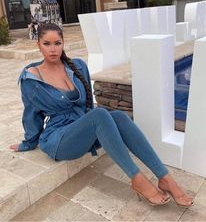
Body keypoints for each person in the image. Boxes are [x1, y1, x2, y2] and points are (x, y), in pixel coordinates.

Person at [10, 23, 193, 207]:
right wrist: (28, 142)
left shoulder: (78, 66)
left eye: (57, 43)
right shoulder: (31, 79)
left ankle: (164, 177)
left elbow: (88, 104)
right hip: (60, 139)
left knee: (119, 117)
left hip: (82, 128)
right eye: (47, 44)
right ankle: (137, 178)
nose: (52, 49)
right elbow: (31, 114)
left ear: (63, 43)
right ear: (38, 45)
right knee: (99, 114)